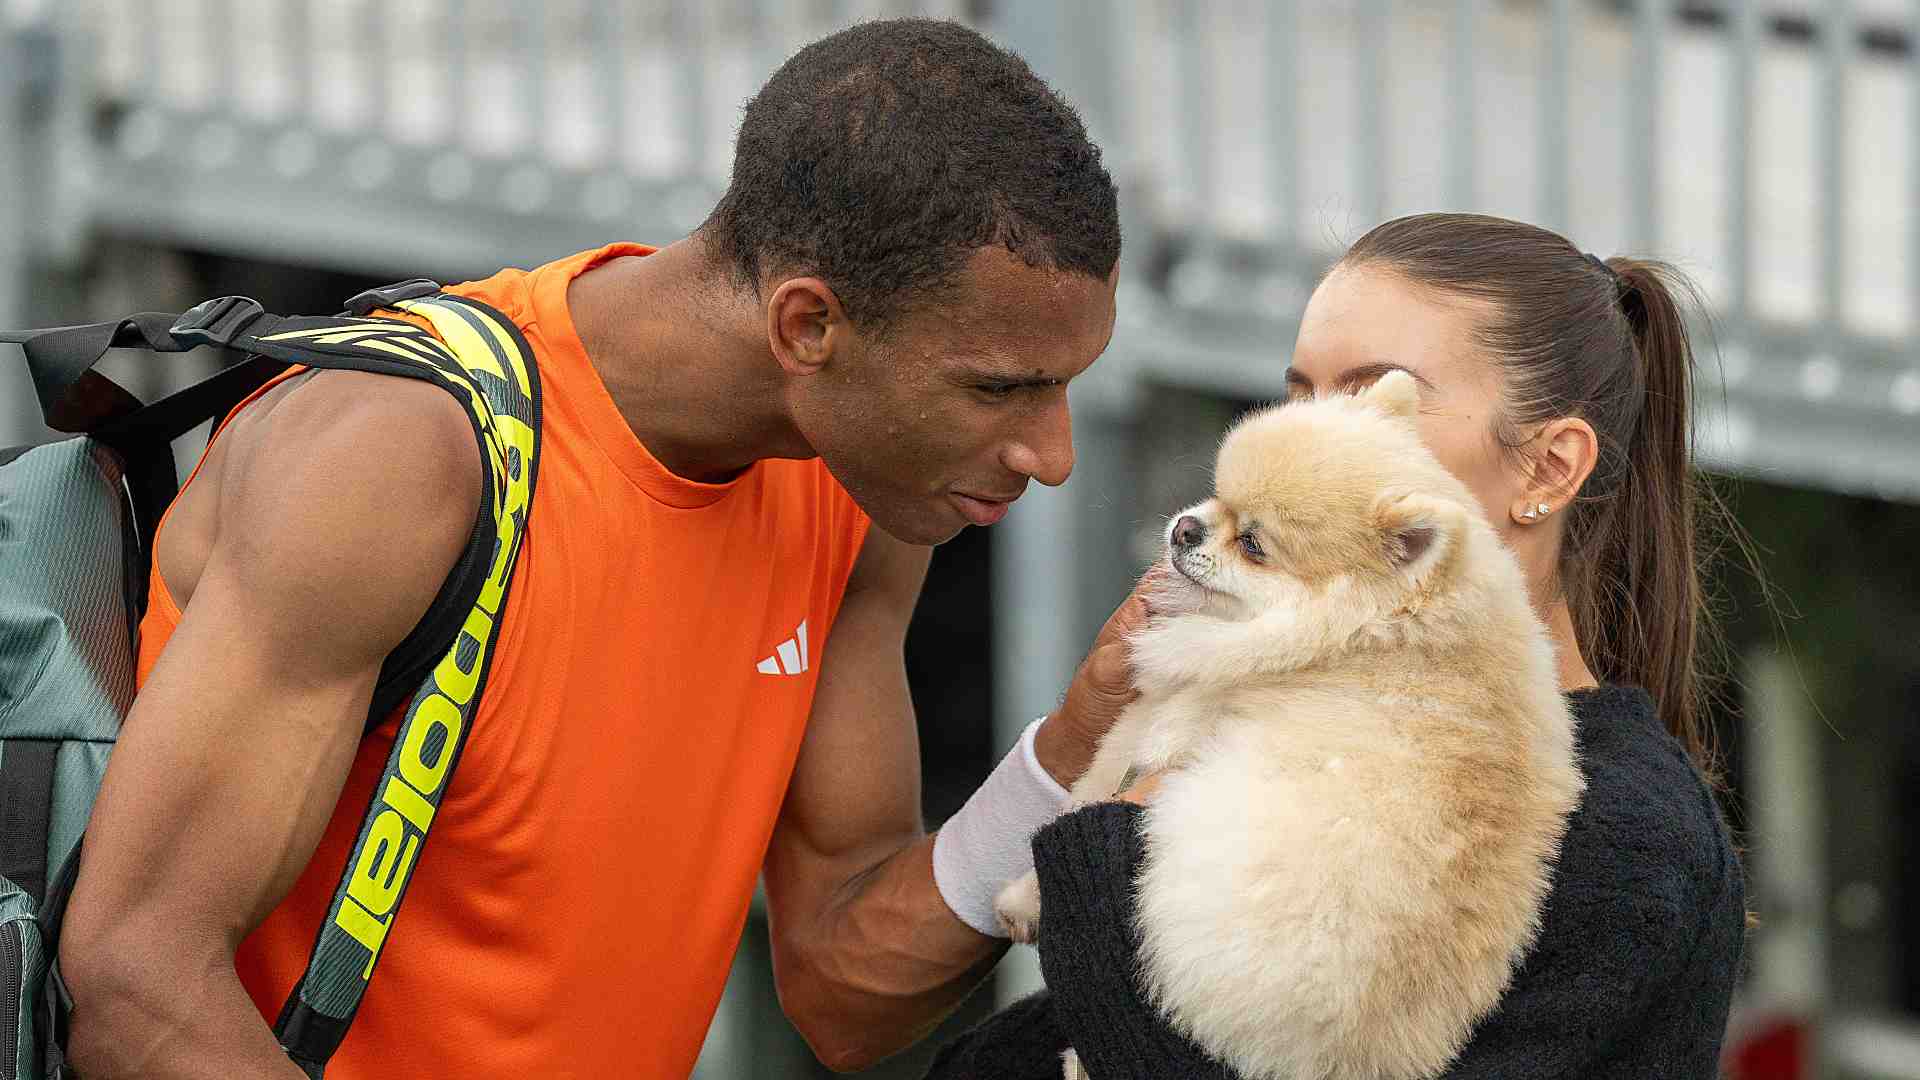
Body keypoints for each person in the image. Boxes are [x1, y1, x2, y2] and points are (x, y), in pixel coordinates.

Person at [59, 18, 1138, 1079]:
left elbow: (840, 990)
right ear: (808, 327)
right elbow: (137, 986)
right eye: (1003, 388)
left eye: (1066, 385)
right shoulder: (395, 460)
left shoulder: (857, 492)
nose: (1053, 455)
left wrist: (1072, 756)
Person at [926, 212, 1750, 1079]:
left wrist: (1110, 848)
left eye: (1372, 396)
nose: (1317, 431)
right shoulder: (1288, 710)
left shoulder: (1628, 838)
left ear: (1549, 467)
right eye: (1301, 393)